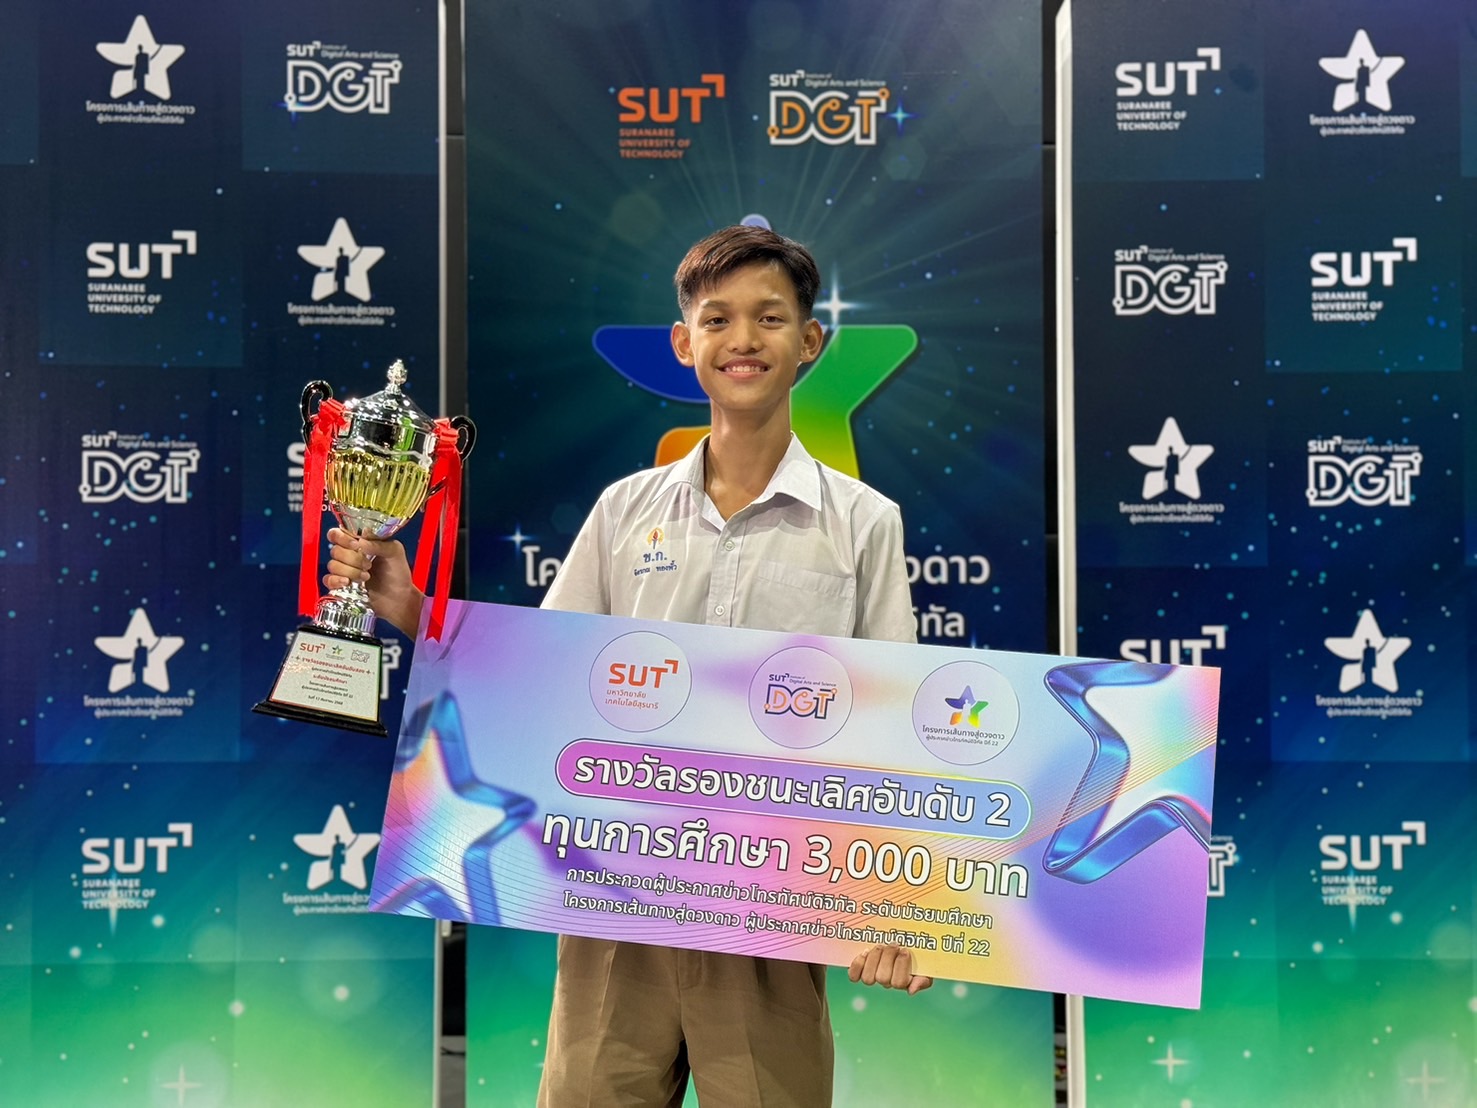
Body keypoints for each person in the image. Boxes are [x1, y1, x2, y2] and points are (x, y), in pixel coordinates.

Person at [324, 225, 932, 1106]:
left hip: (771, 904)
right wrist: (411, 607)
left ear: (809, 341)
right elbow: (539, 674)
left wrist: (895, 908)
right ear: (684, 343)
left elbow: (894, 725)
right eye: (716, 319)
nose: (743, 339)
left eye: (769, 318)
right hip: (618, 892)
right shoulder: (624, 511)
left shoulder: (862, 522)